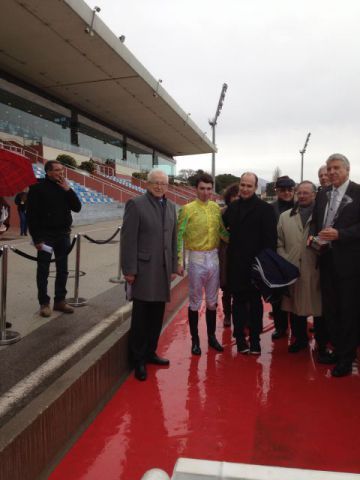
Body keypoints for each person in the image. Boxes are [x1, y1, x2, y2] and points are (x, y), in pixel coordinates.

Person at [121, 169, 178, 381]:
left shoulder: (171, 207)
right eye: (155, 182)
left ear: (168, 186)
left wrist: (174, 266)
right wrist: (129, 269)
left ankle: (150, 352)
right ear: (147, 184)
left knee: (156, 316)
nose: (159, 186)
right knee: (141, 318)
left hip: (163, 271)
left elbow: (172, 239)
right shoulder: (136, 205)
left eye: (163, 183)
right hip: (143, 270)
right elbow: (129, 240)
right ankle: (138, 360)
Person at [310, 153, 360, 377]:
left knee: (348, 312)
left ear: (347, 170)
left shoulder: (358, 193)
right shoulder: (322, 194)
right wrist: (313, 238)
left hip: (350, 265)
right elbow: (316, 223)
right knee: (330, 310)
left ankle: (346, 359)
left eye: (336, 168)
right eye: (329, 168)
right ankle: (338, 350)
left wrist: (340, 234)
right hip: (326, 260)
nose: (331, 172)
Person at [224, 172, 277, 354]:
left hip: (256, 266)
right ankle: (240, 339)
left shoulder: (266, 209)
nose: (245, 189)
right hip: (236, 265)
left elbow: (270, 241)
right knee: (237, 304)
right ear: (240, 185)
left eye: (249, 186)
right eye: (243, 185)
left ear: (255, 188)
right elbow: (223, 230)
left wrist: (262, 266)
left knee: (255, 304)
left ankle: (255, 340)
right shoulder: (232, 208)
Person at [177, 172, 228, 355]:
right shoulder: (187, 209)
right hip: (196, 258)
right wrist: (179, 261)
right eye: (202, 189)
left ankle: (212, 337)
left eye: (209, 189)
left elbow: (222, 232)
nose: (206, 192)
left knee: (213, 302)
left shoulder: (215, 208)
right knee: (195, 302)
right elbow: (179, 235)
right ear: (195, 189)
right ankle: (195, 341)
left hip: (214, 258)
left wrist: (238, 243)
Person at [27, 161, 81, 318]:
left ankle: (60, 300)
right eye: (57, 170)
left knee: (63, 269)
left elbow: (77, 207)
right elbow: (32, 217)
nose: (60, 173)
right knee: (43, 269)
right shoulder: (37, 189)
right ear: (48, 172)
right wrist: (37, 239)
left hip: (63, 234)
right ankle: (44, 303)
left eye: (62, 170)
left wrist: (68, 190)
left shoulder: (64, 187)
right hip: (45, 235)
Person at [277, 181, 324, 353]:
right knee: (295, 309)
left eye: (306, 193)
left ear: (314, 195)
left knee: (318, 309)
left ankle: (321, 341)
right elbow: (279, 242)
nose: (302, 196)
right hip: (292, 270)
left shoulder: (322, 218)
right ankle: (300, 340)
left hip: (315, 270)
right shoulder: (285, 216)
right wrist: (285, 261)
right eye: (300, 193)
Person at [271, 175, 296, 339]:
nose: (286, 193)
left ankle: (297, 328)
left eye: (289, 189)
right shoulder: (270, 208)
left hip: (295, 256)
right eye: (283, 190)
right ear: (277, 191)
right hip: (275, 256)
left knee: (296, 295)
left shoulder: (301, 206)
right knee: (277, 296)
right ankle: (280, 327)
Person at [219, 183, 239, 327]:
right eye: (234, 196)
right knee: (226, 288)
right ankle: (227, 315)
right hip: (226, 252)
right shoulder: (223, 212)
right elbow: (219, 231)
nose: (236, 198)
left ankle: (242, 316)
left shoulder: (247, 210)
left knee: (242, 287)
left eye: (239, 195)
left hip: (242, 253)